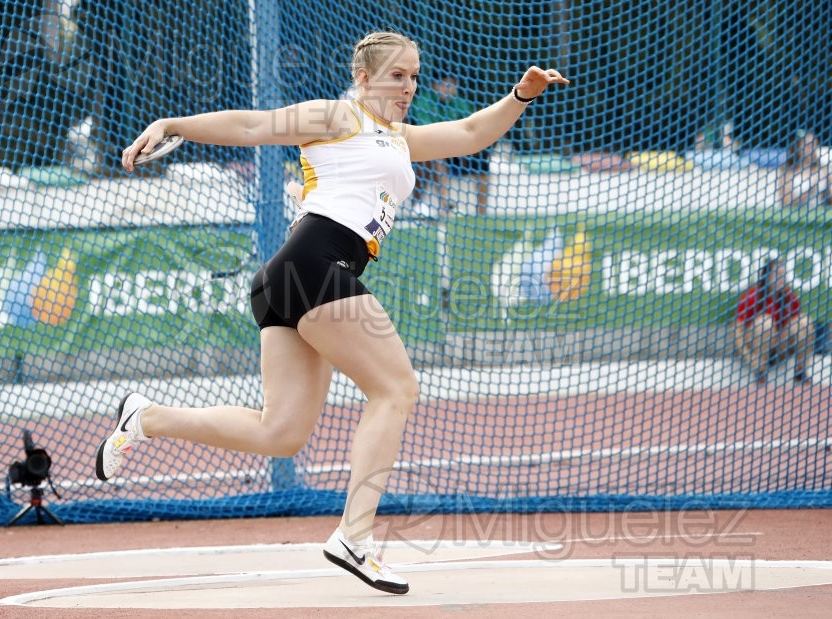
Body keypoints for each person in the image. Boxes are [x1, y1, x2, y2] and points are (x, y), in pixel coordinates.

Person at [101, 31, 569, 594]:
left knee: (281, 433)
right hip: (314, 265)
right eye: (398, 76)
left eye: (415, 76)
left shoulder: (398, 138)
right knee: (397, 389)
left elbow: (471, 134)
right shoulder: (337, 116)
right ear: (365, 78)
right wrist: (172, 124)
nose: (410, 87)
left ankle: (146, 418)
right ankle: (354, 537)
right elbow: (253, 126)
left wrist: (520, 94)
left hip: (292, 279)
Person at [410, 73, 492, 215]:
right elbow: (427, 134)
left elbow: (471, 129)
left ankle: (482, 212)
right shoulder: (424, 102)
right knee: (434, 158)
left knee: (482, 161)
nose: (448, 89)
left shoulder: (460, 103)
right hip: (432, 151)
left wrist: (464, 148)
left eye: (452, 86)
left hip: (458, 151)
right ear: (435, 86)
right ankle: (444, 204)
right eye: (444, 85)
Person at [735, 258, 814, 385]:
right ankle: (760, 371)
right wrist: (749, 358)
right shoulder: (752, 296)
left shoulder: (789, 297)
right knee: (765, 323)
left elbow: (797, 326)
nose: (782, 278)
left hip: (779, 348)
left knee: (804, 322)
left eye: (784, 275)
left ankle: (801, 371)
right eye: (778, 274)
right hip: (755, 348)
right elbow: (737, 332)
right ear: (767, 276)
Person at [776, 129, 831, 208]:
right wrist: (811, 189)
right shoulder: (788, 174)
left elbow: (829, 200)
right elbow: (786, 202)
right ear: (798, 147)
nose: (812, 149)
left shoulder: (822, 171)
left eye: (815, 145)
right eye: (808, 145)